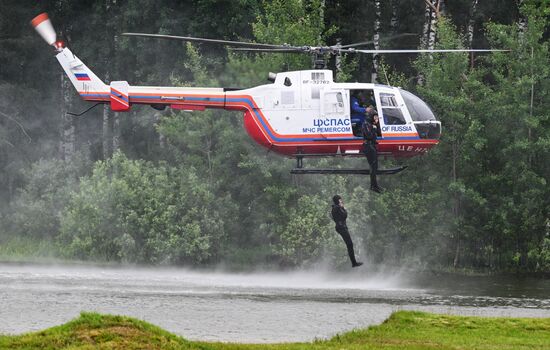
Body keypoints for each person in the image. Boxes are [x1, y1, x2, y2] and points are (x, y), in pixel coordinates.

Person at [331, 195, 363, 268]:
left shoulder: (334, 208)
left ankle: (354, 262)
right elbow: (344, 215)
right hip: (341, 227)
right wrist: (343, 208)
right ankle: (354, 263)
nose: (341, 201)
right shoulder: (337, 207)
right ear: (337, 200)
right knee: (350, 244)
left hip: (341, 227)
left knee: (350, 244)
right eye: (340, 199)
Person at [362, 110, 383, 193]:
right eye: (375, 117)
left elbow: (379, 133)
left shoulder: (373, 124)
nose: (376, 118)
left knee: (375, 167)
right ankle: (373, 186)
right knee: (373, 166)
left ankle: (374, 185)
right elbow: (369, 135)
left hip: (372, 146)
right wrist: (374, 128)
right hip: (368, 146)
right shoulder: (366, 124)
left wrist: (376, 125)